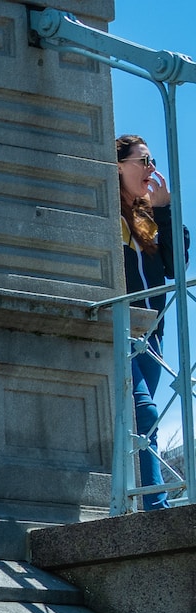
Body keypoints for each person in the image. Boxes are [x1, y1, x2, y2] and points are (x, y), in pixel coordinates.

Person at [118, 133, 184, 511]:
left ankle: (134, 500)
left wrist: (166, 212)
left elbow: (178, 267)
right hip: (121, 328)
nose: (151, 169)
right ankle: (155, 506)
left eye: (152, 160)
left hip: (152, 335)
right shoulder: (104, 214)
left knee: (142, 420)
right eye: (142, 161)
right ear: (118, 166)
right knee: (144, 411)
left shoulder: (150, 218)